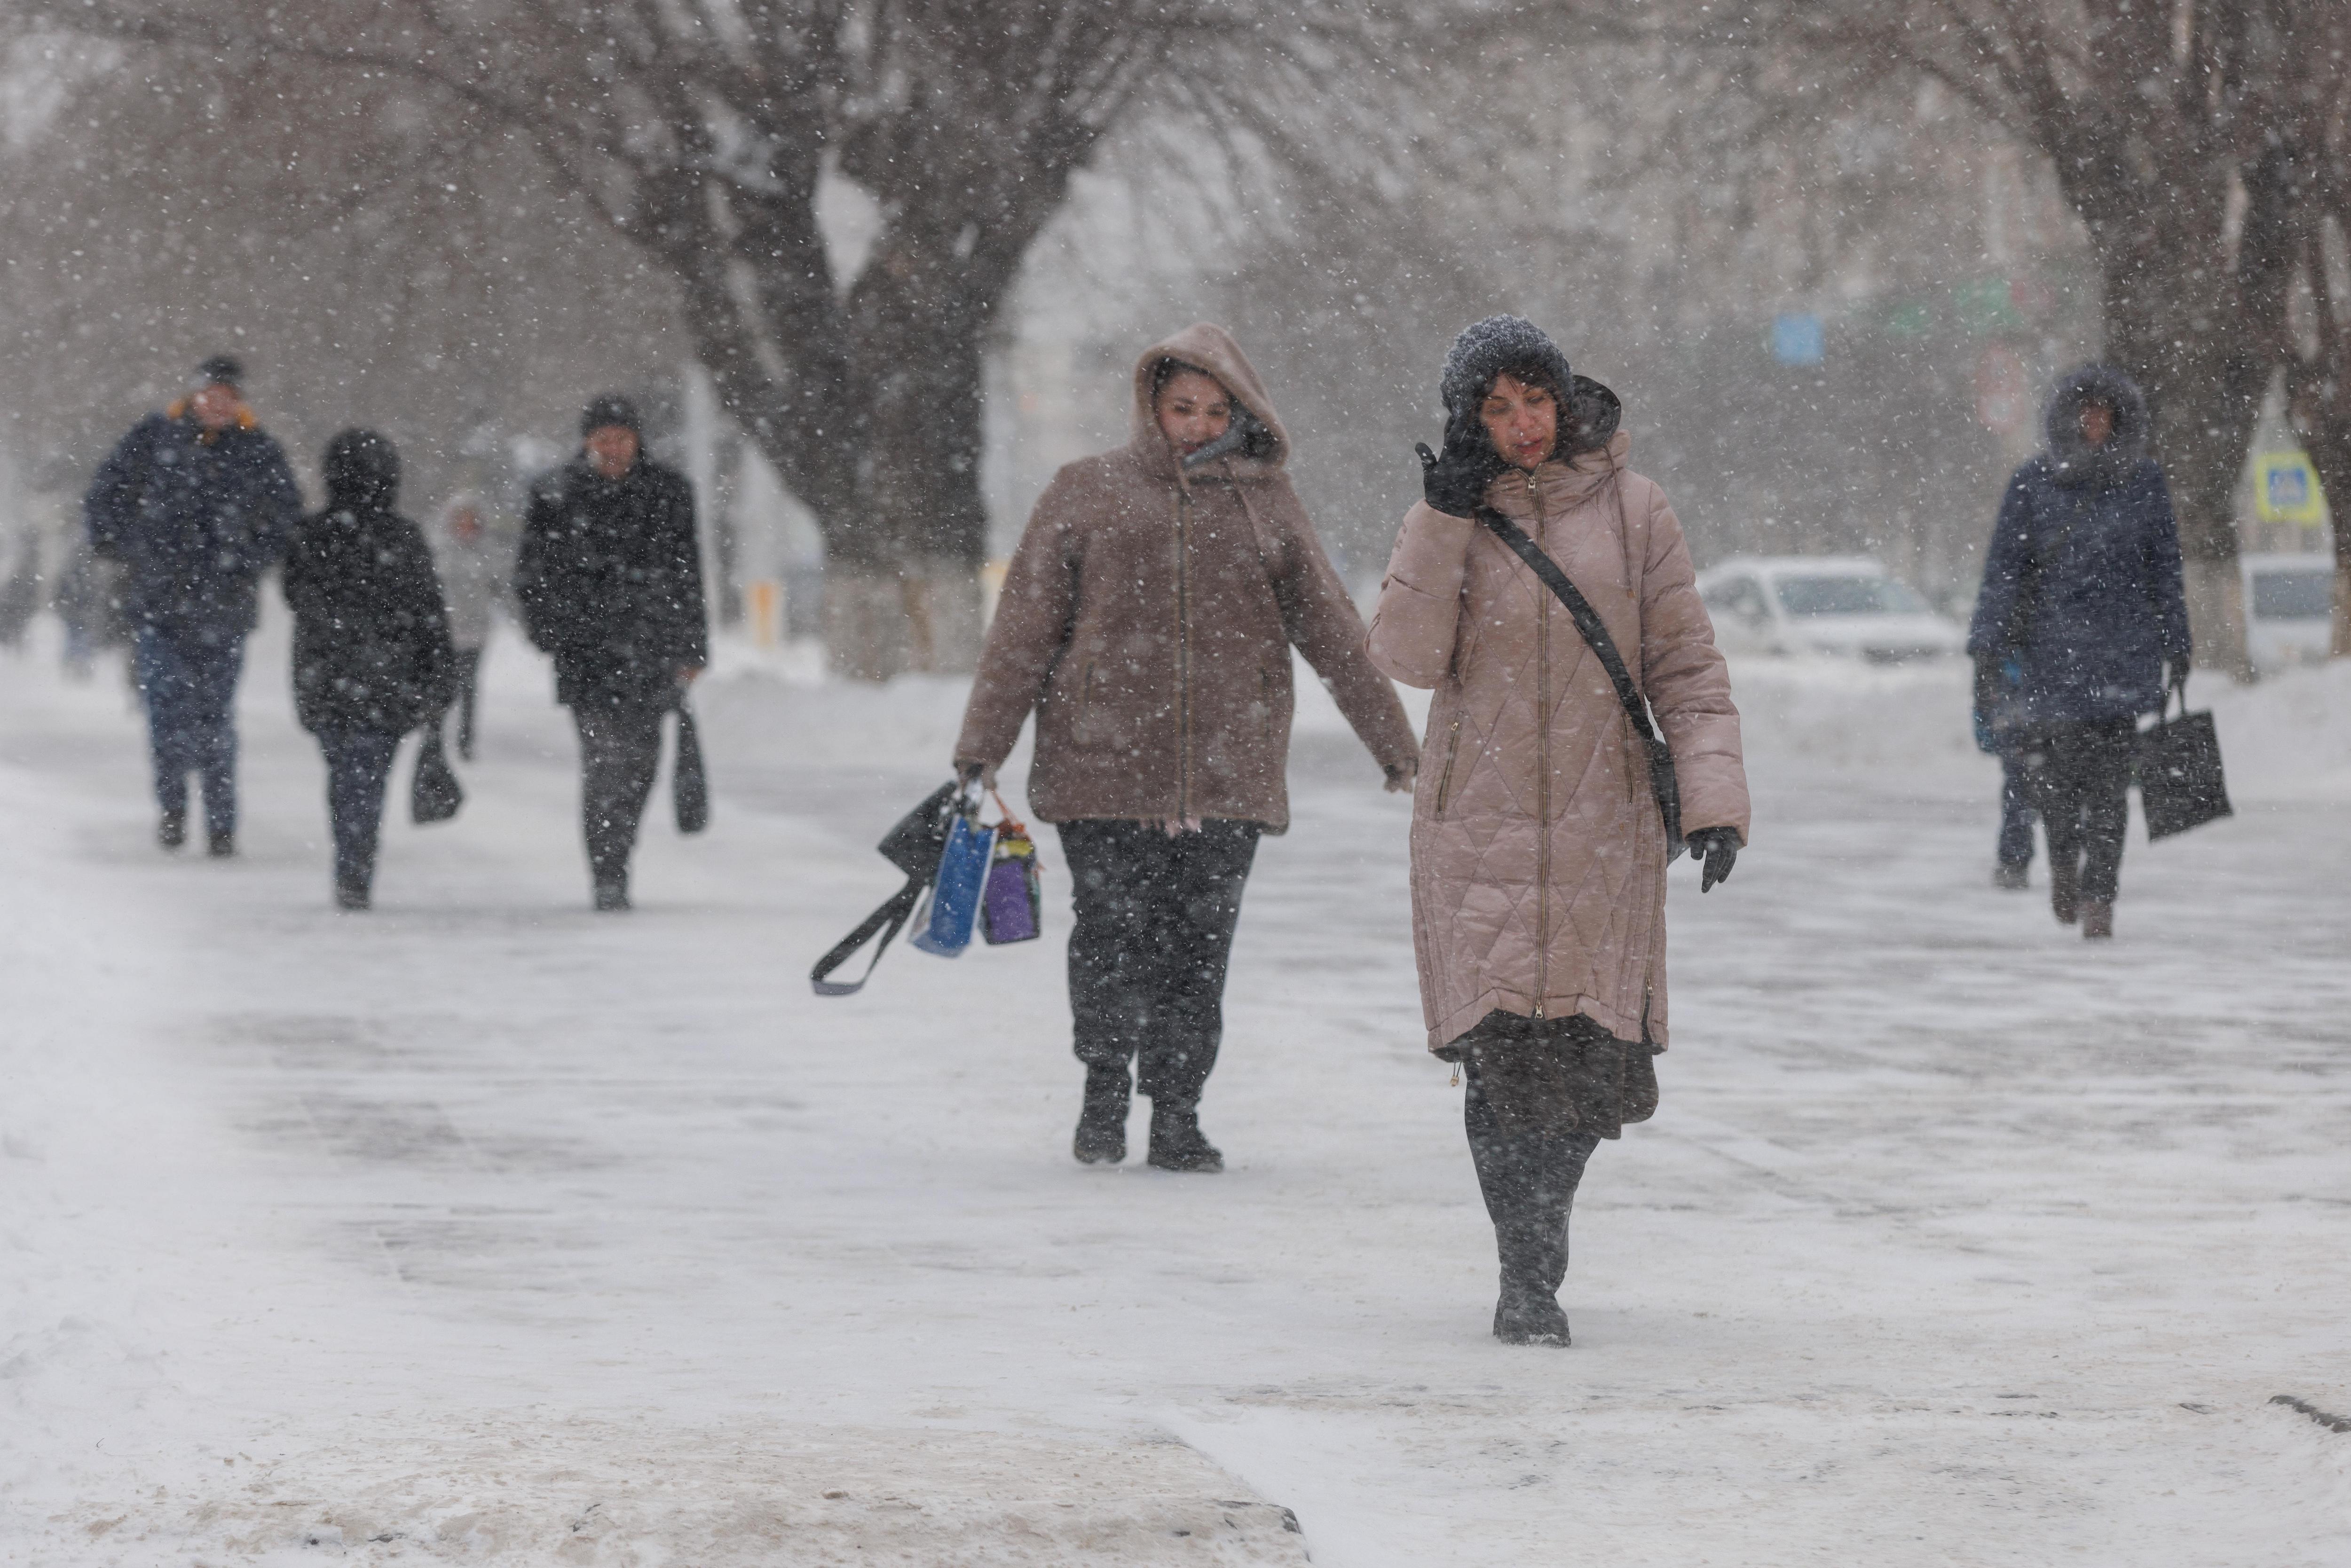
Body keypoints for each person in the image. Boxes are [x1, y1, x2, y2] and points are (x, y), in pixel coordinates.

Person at [955, 323, 1420, 1173]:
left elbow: (1334, 633)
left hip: (1227, 768)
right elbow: (1025, 628)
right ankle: (1103, 1090)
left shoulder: (1268, 502)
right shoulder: (1083, 491)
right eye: (1182, 408)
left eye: (1216, 410)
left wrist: (1395, 745)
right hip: (1101, 764)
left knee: (1198, 952)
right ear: (1150, 407)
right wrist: (983, 745)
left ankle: (1178, 1112)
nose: (1199, 426)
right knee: (1109, 937)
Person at [1366, 315, 1749, 1347]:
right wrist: (1442, 517)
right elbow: (1403, 653)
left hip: (1603, 825)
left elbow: (1685, 666)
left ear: (1566, 398)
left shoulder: (1636, 511)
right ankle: (1525, 1273)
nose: (1522, 424)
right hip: (1475, 826)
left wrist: (1713, 800)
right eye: (1494, 409)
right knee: (1500, 1053)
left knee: (1583, 1061)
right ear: (1467, 421)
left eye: (1534, 400)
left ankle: (1545, 1227)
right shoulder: (1446, 512)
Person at [1967, 365, 2190, 941]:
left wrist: (2177, 642)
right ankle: (2064, 864)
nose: (2094, 423)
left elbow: (2164, 570)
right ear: (2067, 418)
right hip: (2051, 664)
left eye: (2104, 413)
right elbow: (2003, 571)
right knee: (2055, 790)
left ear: (2119, 419)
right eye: (2084, 412)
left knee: (2111, 791)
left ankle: (2100, 898)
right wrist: (1986, 647)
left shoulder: (2143, 482)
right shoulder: (2031, 483)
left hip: (2121, 661)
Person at [84, 355, 303, 855]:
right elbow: (105, 494)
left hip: (224, 609)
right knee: (164, 711)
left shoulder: (258, 449)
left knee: (216, 717)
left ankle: (222, 821)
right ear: (194, 393)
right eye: (211, 393)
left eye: (229, 395)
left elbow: (286, 516)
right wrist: (128, 548)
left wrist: (248, 557)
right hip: (158, 606)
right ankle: (173, 808)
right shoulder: (155, 437)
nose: (218, 404)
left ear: (239, 400)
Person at [512, 394, 708, 911]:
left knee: (642, 764)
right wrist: (547, 630)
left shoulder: (668, 493)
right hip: (587, 652)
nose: (613, 449)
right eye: (603, 439)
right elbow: (531, 573)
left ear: (638, 440)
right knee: (603, 763)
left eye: (621, 438)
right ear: (586, 441)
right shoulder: (556, 494)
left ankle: (620, 847)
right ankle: (608, 869)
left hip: (653, 649)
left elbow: (688, 573)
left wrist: (693, 646)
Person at [280, 431, 458, 910]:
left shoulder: (310, 535)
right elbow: (429, 613)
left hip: (330, 678)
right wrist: (439, 674)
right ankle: (356, 863)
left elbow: (295, 597)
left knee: (347, 775)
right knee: (365, 774)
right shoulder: (402, 538)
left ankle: (352, 861)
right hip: (386, 679)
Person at [433, 490, 507, 760]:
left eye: (471, 520)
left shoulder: (489, 553)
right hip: (444, 630)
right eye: (461, 520)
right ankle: (434, 736)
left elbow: (503, 590)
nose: (466, 526)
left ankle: (466, 738)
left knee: (469, 685)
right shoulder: (439, 552)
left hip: (476, 632)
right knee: (442, 684)